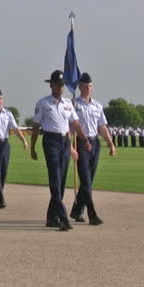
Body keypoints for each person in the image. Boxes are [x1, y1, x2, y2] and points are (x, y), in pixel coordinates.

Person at [29, 70, 88, 231]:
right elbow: (35, 127)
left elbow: (75, 123)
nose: (60, 88)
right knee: (55, 178)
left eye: (62, 85)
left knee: (61, 182)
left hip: (64, 141)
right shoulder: (43, 103)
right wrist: (33, 147)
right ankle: (63, 217)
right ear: (51, 85)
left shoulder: (68, 104)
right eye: (57, 85)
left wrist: (85, 139)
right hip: (50, 141)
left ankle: (51, 217)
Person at [69, 73, 116, 225]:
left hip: (95, 143)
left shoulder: (97, 105)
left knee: (88, 181)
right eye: (85, 85)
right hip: (81, 143)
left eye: (90, 86)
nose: (88, 88)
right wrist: (70, 146)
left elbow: (102, 126)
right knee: (86, 180)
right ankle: (92, 213)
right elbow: (69, 127)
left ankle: (77, 210)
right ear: (80, 86)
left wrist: (110, 143)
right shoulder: (74, 104)